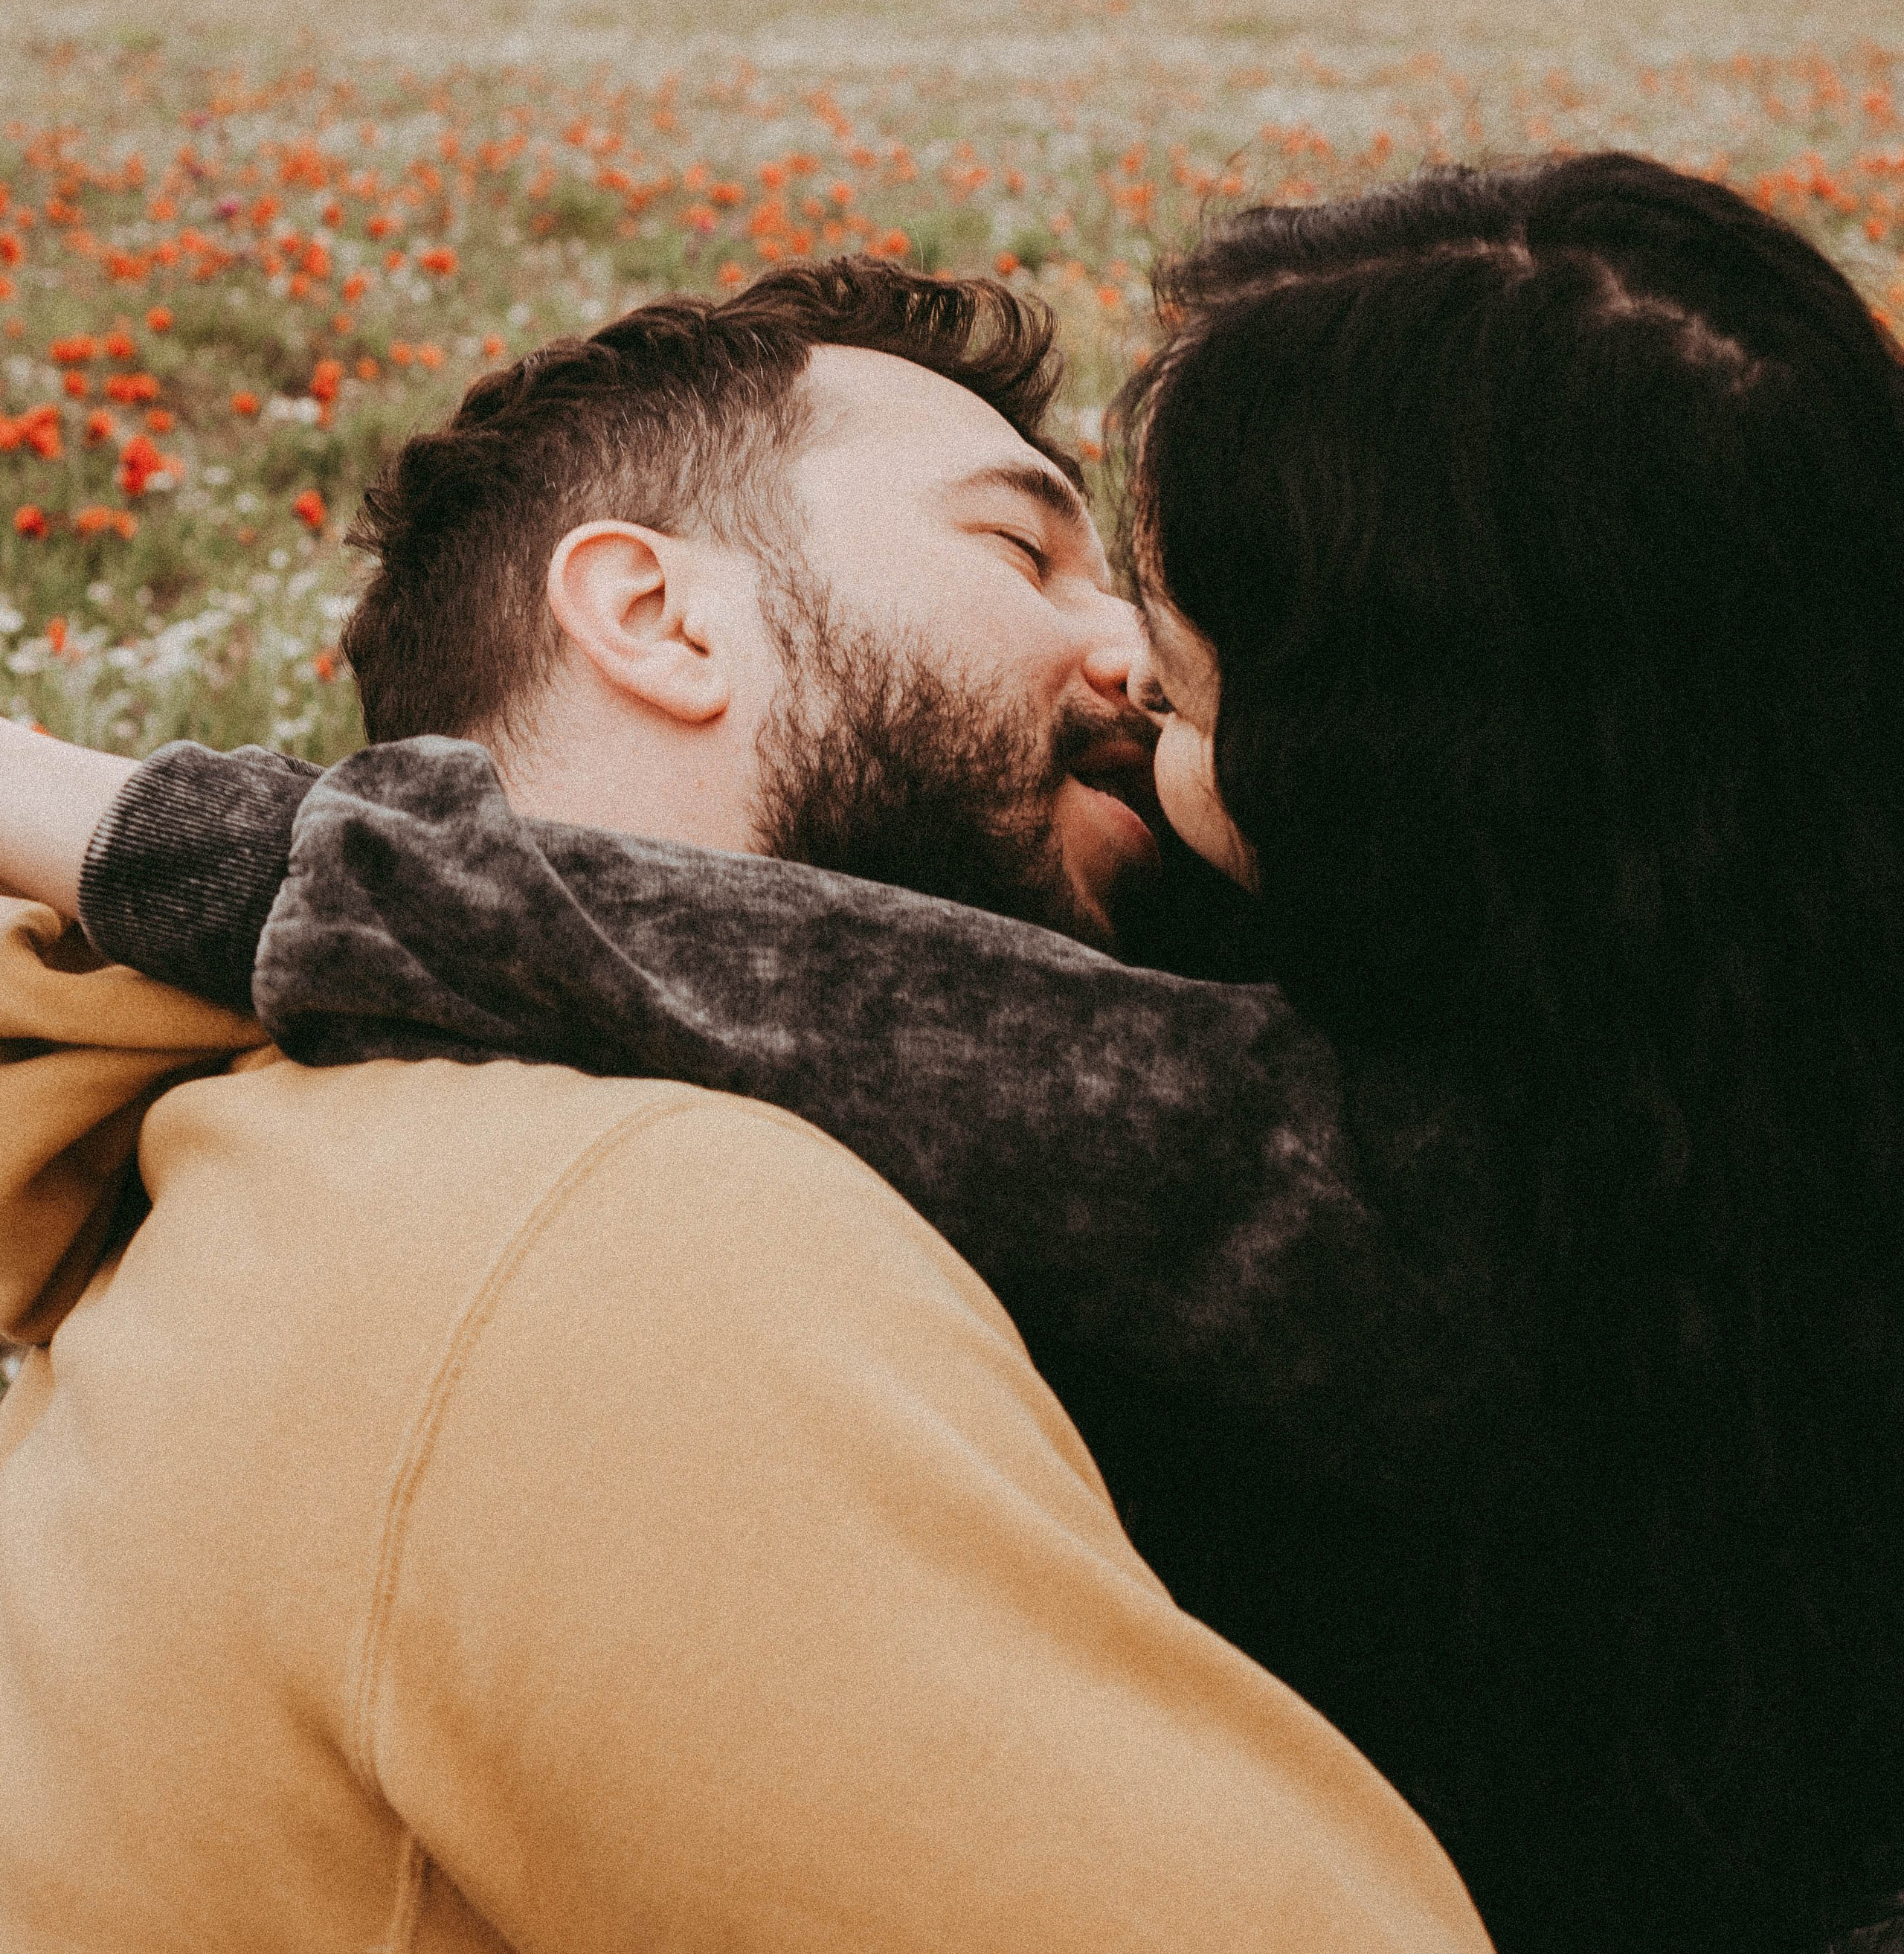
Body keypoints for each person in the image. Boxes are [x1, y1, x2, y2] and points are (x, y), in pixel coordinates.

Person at [17, 152, 1904, 1948]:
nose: (1131, 665)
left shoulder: (1431, 1177)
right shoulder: (614, 1232)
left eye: (1203, 657)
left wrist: (118, 835)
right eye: (1026, 550)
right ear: (651, 612)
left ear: (1442, 787)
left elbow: (880, 1015)